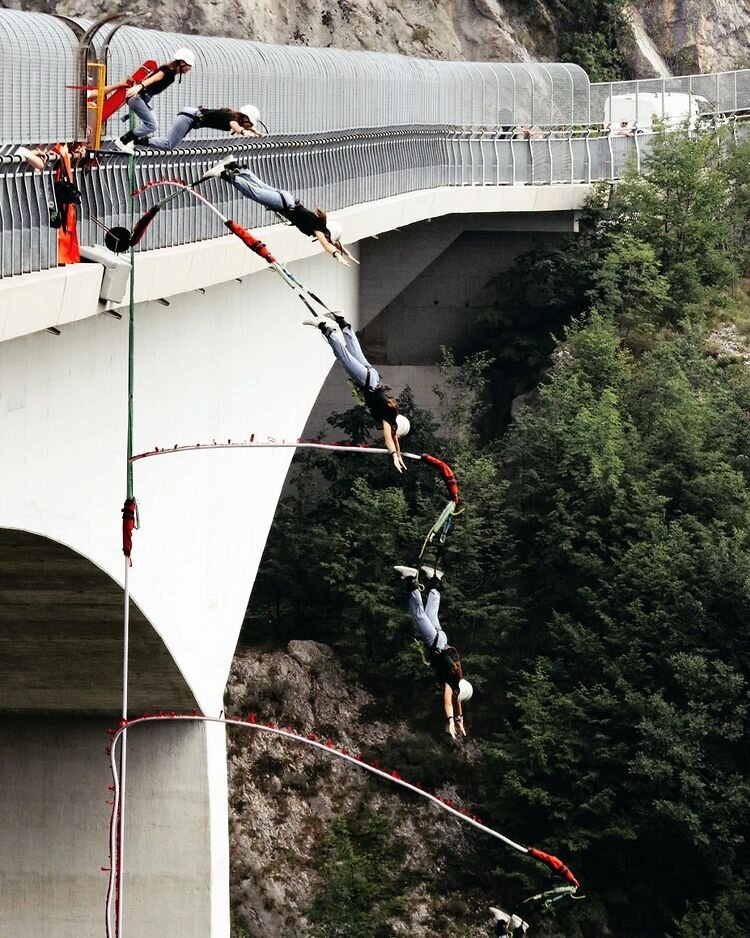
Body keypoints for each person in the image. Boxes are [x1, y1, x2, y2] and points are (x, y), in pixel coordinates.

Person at [304, 312, 410, 472]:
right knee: (343, 355)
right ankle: (323, 327)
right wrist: (394, 455)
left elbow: (394, 439)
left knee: (354, 349)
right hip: (366, 381)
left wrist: (398, 455)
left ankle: (341, 320)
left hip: (372, 376)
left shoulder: (392, 413)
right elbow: (389, 439)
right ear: (397, 427)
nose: (395, 434)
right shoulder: (388, 420)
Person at [201, 156, 355, 263]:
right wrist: (336, 255)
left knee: (259, 185)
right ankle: (223, 173)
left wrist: (344, 252)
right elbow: (326, 244)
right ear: (329, 233)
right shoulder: (318, 229)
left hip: (287, 199)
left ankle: (234, 165)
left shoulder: (321, 225)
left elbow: (332, 242)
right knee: (254, 192)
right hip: (284, 204)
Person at [393, 564, 473, 736]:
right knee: (419, 615)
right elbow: (448, 703)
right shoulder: (451, 682)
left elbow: (456, 702)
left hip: (442, 640)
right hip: (434, 643)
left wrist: (460, 721)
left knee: (431, 614)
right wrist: (451, 722)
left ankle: (435, 579)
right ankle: (411, 579)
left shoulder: (457, 675)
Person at [114, 48, 195, 152]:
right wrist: (138, 87)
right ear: (182, 63)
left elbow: (150, 77)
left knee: (152, 121)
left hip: (141, 98)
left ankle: (131, 142)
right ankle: (124, 140)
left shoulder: (170, 72)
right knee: (152, 125)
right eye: (189, 65)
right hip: (138, 97)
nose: (189, 69)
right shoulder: (168, 71)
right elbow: (153, 78)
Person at [145, 104, 265, 150]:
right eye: (250, 123)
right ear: (245, 118)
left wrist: (256, 132)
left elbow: (245, 127)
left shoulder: (231, 115)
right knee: (169, 145)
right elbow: (236, 127)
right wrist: (244, 132)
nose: (249, 126)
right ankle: (136, 140)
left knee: (169, 143)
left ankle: (138, 140)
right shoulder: (231, 119)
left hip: (191, 115)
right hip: (190, 117)